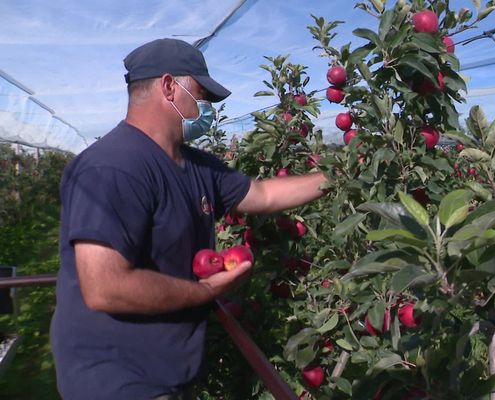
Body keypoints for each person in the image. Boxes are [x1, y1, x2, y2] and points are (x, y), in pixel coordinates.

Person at [50, 38, 328, 400]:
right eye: (200, 94)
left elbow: (262, 194)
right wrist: (205, 291)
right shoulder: (112, 168)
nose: (205, 107)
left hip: (169, 373)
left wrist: (339, 176)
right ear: (168, 87)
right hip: (118, 381)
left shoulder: (196, 166)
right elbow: (105, 286)